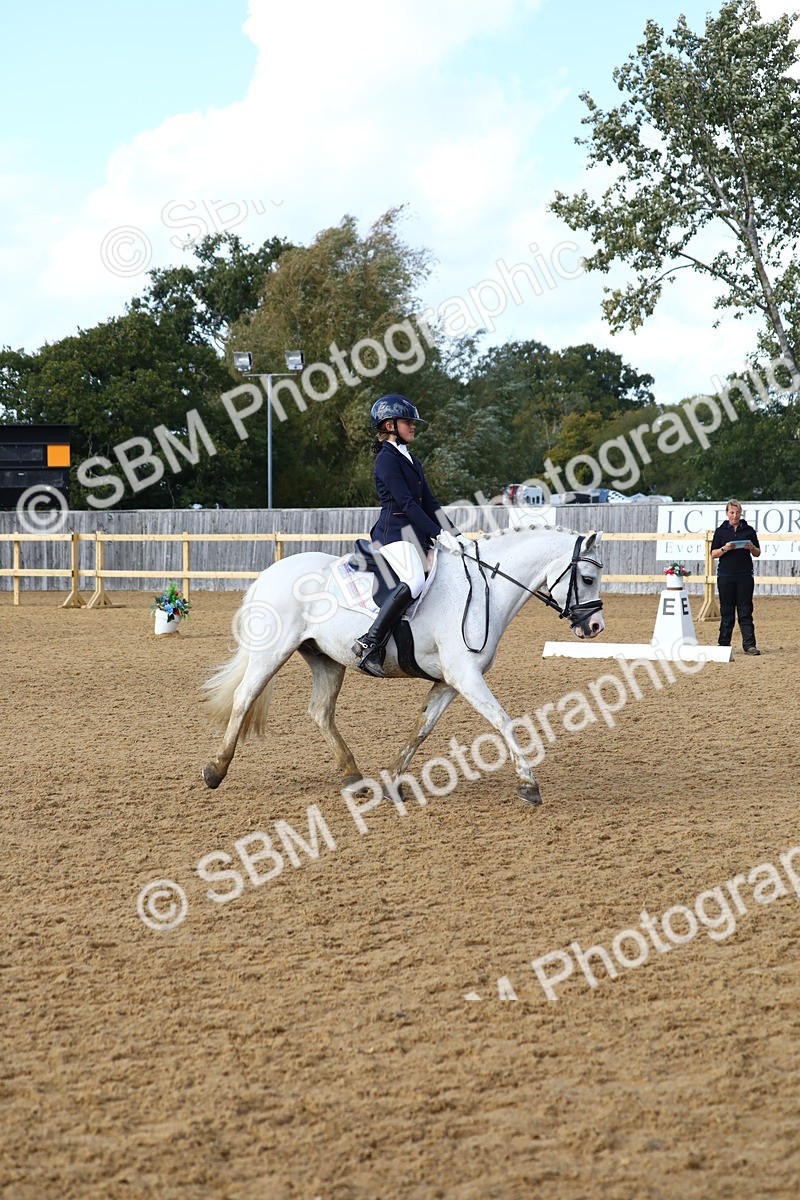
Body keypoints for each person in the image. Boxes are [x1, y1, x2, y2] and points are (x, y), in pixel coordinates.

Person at [351, 394, 470, 677]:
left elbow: (429, 502)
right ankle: (370, 642)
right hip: (393, 535)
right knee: (414, 580)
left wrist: (456, 534)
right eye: (408, 422)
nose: (413, 426)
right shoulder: (386, 460)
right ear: (390, 425)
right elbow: (406, 503)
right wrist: (438, 533)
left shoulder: (409, 458)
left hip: (415, 534)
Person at [710, 499, 762, 655]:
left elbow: (758, 553)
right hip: (725, 576)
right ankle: (724, 644)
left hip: (744, 576)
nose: (735, 515)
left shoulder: (749, 530)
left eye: (738, 512)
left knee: (745, 611)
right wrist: (724, 548)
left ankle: (749, 645)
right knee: (726, 611)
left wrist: (752, 547)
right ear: (727, 513)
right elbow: (713, 554)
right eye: (732, 512)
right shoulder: (720, 531)